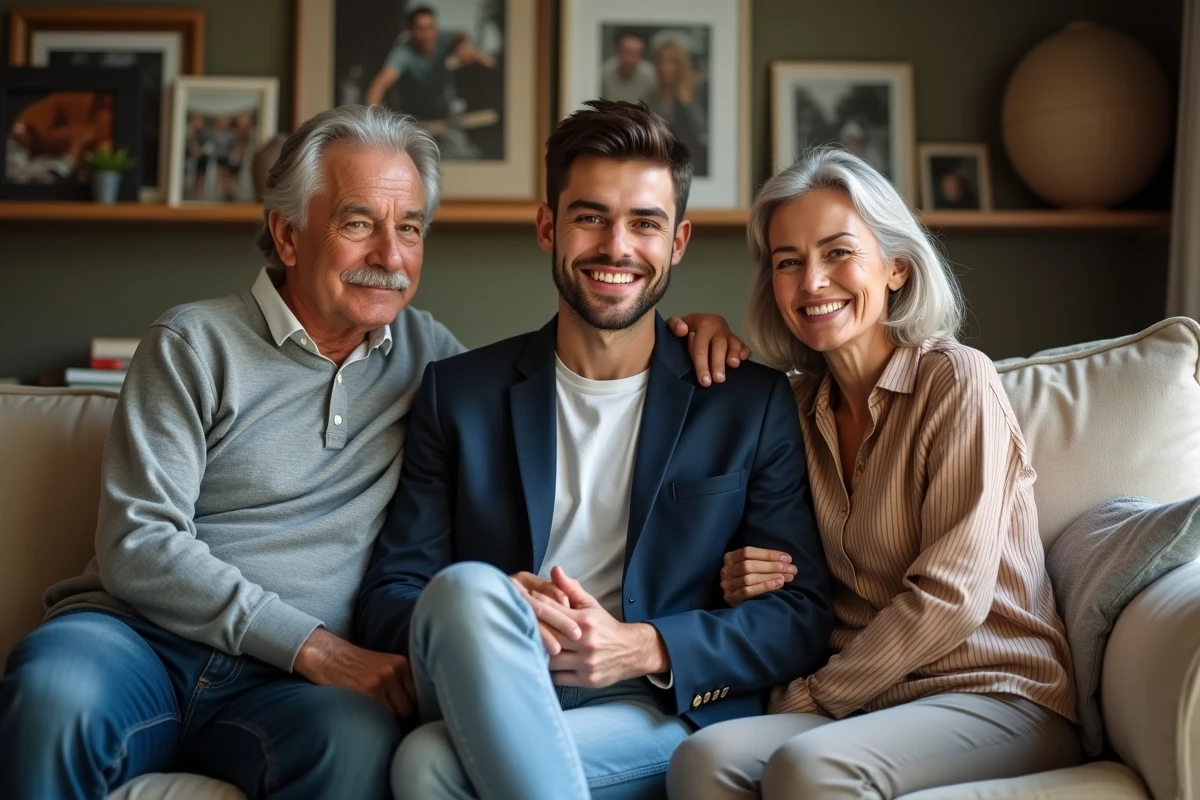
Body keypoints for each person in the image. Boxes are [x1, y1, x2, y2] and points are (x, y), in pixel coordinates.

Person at [0, 103, 743, 800]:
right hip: (140, 645)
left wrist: (686, 331)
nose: (389, 256)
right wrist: (319, 649)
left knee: (359, 746)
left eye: (412, 228)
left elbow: (582, 352)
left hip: (285, 694)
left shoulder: (431, 362)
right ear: (288, 233)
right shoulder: (193, 343)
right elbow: (138, 543)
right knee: (55, 692)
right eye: (359, 222)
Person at [355, 99, 835, 800]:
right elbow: (388, 598)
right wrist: (495, 612)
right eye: (591, 217)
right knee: (464, 589)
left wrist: (642, 646)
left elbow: (799, 616)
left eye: (644, 223)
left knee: (427, 764)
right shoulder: (456, 394)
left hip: (654, 705)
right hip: (492, 677)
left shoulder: (745, 401)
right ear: (548, 227)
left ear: (678, 242)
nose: (617, 246)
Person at [668, 147, 1080, 799]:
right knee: (703, 759)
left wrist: (810, 697)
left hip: (996, 692)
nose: (812, 283)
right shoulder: (792, 409)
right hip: (870, 701)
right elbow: (762, 552)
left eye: (838, 252)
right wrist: (698, 333)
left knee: (809, 769)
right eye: (788, 262)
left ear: (895, 267)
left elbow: (952, 597)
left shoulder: (956, 381)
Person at [365, 4, 496, 160]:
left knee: (464, 154)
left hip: (446, 117)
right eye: (421, 29)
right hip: (414, 122)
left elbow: (460, 35)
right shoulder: (403, 53)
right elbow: (380, 84)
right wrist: (374, 120)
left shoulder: (443, 39)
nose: (428, 35)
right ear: (410, 30)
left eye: (431, 27)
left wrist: (464, 46)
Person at [648, 37, 708, 176]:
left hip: (696, 164)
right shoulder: (656, 95)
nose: (664, 68)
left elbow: (703, 134)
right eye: (660, 62)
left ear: (682, 64)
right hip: (666, 164)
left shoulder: (698, 89)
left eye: (671, 62)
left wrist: (687, 101)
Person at [601, 30, 656, 105]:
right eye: (626, 52)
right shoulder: (603, 74)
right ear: (617, 51)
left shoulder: (651, 76)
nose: (630, 60)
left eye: (636, 54)